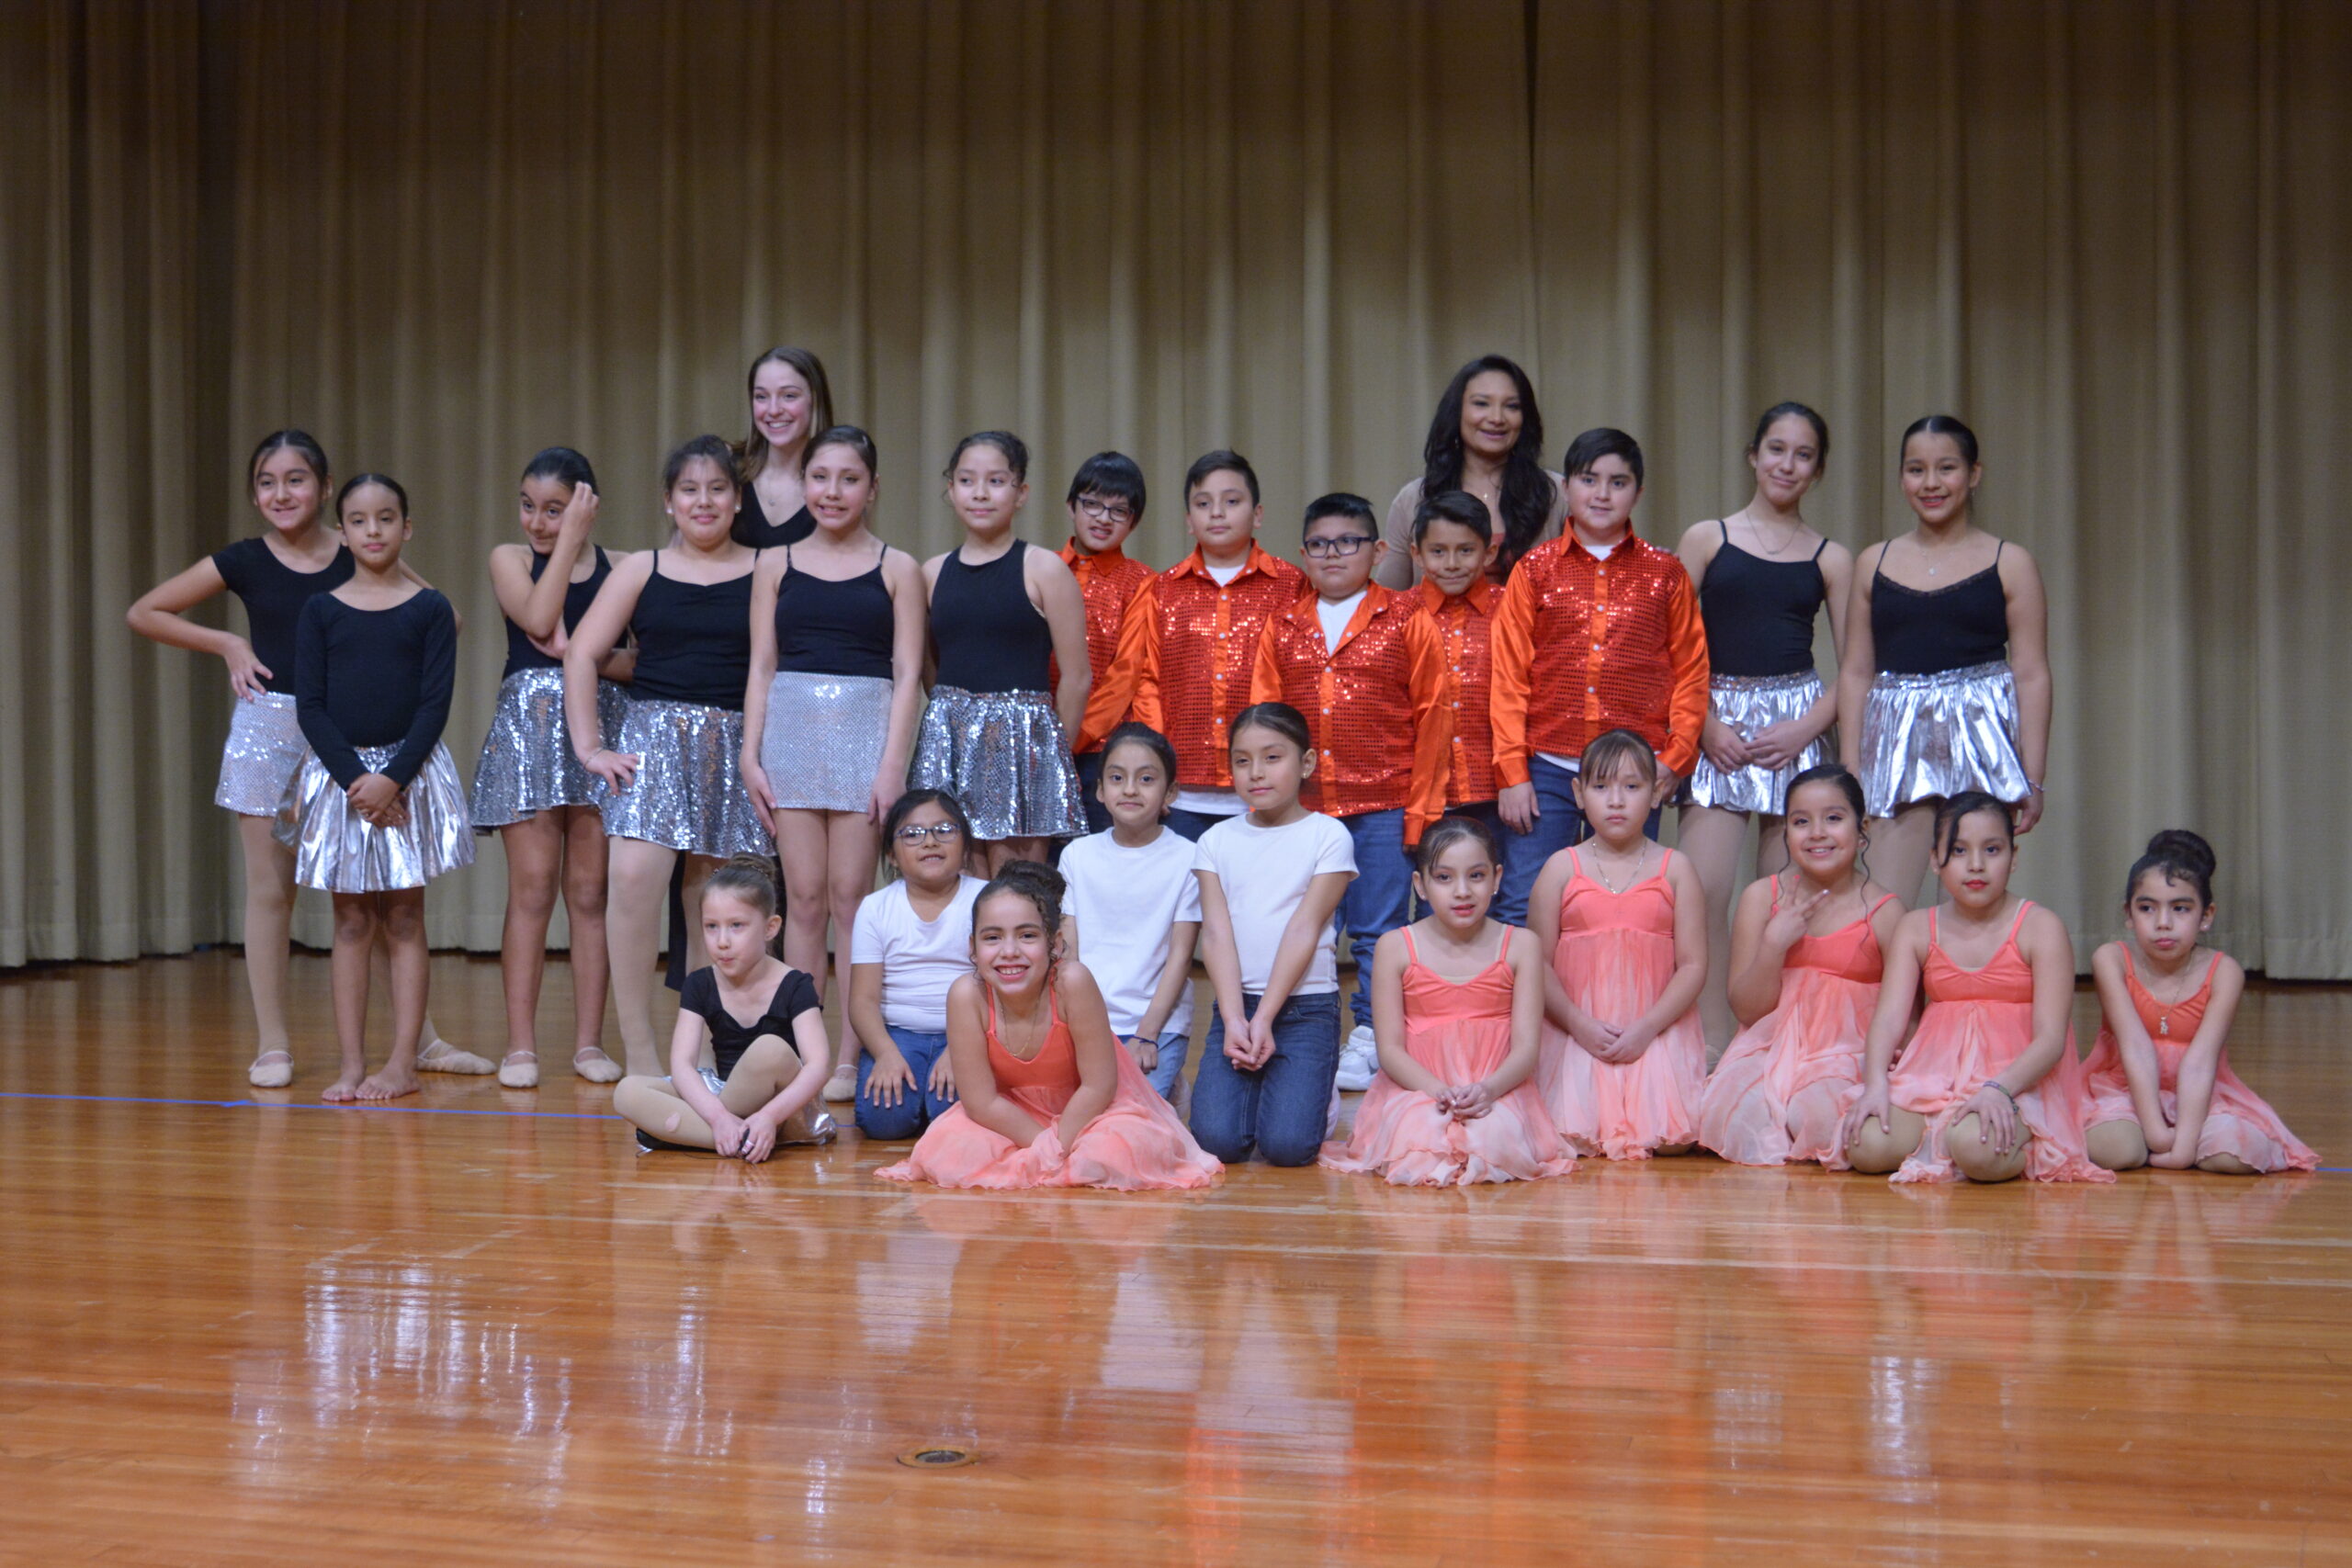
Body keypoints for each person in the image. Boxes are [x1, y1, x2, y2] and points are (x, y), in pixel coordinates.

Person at [127, 430, 481, 1088]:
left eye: (296, 479)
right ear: (255, 494)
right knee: (273, 891)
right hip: (274, 727)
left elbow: (446, 618)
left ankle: (417, 1040)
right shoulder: (243, 559)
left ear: (323, 487)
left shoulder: (360, 544)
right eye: (267, 481)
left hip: (365, 740)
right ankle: (273, 1043)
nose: (282, 492)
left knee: (381, 894)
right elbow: (145, 610)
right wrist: (228, 643)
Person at [564, 434, 766, 1075]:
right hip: (653, 742)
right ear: (668, 500)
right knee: (631, 885)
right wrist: (590, 746)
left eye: (716, 489)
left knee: (719, 906)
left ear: (737, 499)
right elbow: (580, 653)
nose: (703, 501)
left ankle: (709, 1050)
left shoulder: (766, 569)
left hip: (734, 745)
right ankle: (644, 1054)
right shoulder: (641, 569)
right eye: (689, 489)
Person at [740, 425, 925, 1105]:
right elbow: (762, 664)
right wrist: (749, 752)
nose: (832, 491)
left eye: (849, 478)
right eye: (820, 477)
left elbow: (908, 673)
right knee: (805, 901)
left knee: (852, 901)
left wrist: (891, 765)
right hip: (791, 734)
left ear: (872, 488)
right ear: (804, 484)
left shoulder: (897, 566)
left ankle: (852, 1049)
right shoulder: (774, 562)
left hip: (864, 734)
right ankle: (803, 1051)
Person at [280, 474, 473, 1102]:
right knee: (352, 919)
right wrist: (355, 782)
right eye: (359, 521)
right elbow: (310, 705)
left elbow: (434, 702)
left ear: (406, 528)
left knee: (406, 915)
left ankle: (403, 1063)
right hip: (343, 779)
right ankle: (351, 1065)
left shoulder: (430, 608)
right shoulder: (321, 610)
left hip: (408, 775)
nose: (373, 531)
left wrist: (393, 778)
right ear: (343, 532)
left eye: (386, 518)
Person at [1248, 492, 1447, 1089]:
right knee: (1299, 925)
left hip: (1385, 803)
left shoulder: (1409, 618)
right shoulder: (1283, 622)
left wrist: (1421, 813)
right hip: (1304, 809)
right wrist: (1267, 802)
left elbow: (1434, 718)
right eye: (1320, 544)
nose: (1333, 554)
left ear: (1377, 549)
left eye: (1349, 542)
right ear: (1303, 552)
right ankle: (1299, 1032)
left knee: (1378, 929)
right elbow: (1266, 716)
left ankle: (1370, 1035)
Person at [1676, 403, 1853, 1054]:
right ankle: (1709, 1048)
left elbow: (1857, 667)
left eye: (1803, 454)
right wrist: (1704, 725)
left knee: (1789, 901)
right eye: (1776, 449)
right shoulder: (1707, 538)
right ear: (1753, 455)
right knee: (1706, 891)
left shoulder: (1832, 557)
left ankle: (1777, 1047)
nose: (1787, 464)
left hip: (1795, 731)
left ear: (1818, 469)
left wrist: (1806, 730)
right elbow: (1667, 646)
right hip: (1716, 725)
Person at [875, 862, 1222, 1190]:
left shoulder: (1072, 982)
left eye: (1027, 936)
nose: (1009, 951)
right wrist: (1043, 1145)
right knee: (950, 1148)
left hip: (1091, 1110)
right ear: (973, 948)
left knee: (1112, 1153)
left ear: (1054, 944)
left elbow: (1098, 1086)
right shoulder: (967, 995)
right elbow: (982, 1102)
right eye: (992, 938)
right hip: (1012, 1114)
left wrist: (1056, 1145)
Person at [1490, 428, 1708, 926]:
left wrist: (1673, 761)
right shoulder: (1535, 569)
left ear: (1639, 492)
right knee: (1523, 900)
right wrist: (1512, 773)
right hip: (1546, 766)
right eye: (1589, 479)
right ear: (1567, 486)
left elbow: (1691, 672)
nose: (1602, 493)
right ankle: (1524, 1007)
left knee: (1626, 903)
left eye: (1618, 481)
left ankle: (1620, 1004)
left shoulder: (1666, 573)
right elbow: (1508, 677)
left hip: (1636, 770)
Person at [1839, 792, 2108, 1184]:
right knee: (1865, 1146)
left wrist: (1999, 1089)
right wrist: (1875, 1084)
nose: (1976, 865)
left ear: (2013, 858)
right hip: (1933, 1077)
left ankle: (2029, 1142)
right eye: (1959, 850)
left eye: (1992, 850)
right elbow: (1889, 1019)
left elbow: (2051, 1039)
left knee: (1975, 1147)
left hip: (2018, 1082)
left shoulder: (2040, 927)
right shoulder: (1916, 927)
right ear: (1935, 860)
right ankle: (1943, 1136)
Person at [1838, 416, 2052, 908]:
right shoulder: (1874, 561)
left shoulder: (2010, 561)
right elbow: (1854, 672)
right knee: (1883, 906)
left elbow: (2032, 672)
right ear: (1901, 478)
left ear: (1974, 474)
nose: (1930, 483)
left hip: (1981, 739)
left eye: (1946, 468)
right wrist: (1851, 772)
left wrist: (2031, 776)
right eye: (1916, 470)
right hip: (1894, 745)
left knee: (1971, 904)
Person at [471, 447, 631, 1089]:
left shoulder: (622, 566)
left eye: (556, 510)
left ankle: (590, 1043)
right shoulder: (509, 558)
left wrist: (585, 655)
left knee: (591, 894)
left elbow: (638, 659)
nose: (538, 522)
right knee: (532, 889)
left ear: (587, 504)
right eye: (529, 506)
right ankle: (520, 1046)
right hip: (529, 729)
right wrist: (567, 543)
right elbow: (538, 618)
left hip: (600, 726)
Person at [1319, 817, 1573, 1186]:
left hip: (1496, 1089)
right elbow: (1389, 1049)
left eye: (1476, 876)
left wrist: (1487, 1091)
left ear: (1497, 878)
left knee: (1494, 1140)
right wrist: (1437, 1091)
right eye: (1444, 878)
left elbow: (1526, 1048)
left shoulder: (1521, 945)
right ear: (1420, 885)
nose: (1462, 891)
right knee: (1419, 1143)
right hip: (1419, 1089)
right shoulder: (1395, 947)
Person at [1085, 451, 1307, 841]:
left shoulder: (1291, 585)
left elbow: (1301, 681)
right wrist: (1159, 769)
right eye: (1204, 504)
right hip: (1183, 793)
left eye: (1231, 501)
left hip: (1265, 791)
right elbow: (1146, 683)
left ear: (1257, 514)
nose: (1217, 513)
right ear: (1189, 520)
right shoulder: (1161, 590)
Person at [1697, 764, 1902, 1166]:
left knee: (1821, 1119)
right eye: (1801, 821)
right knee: (1726, 1114)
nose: (1818, 833)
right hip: (1768, 1048)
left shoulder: (1885, 912)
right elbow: (1748, 1010)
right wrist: (1774, 944)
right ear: (1786, 832)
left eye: (1834, 818)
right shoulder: (1761, 899)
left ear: (1863, 829)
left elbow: (1906, 1014)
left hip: (1845, 1055)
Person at [2083, 831, 2315, 1175]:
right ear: (2128, 914)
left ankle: (2182, 1141)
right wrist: (2159, 1134)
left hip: (2201, 1094)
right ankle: (2146, 1139)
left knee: (2234, 1154)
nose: (2163, 923)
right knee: (2119, 1150)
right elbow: (2135, 1047)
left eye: (2180, 908)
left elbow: (2200, 1062)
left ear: (2206, 916)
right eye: (2147, 908)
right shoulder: (2111, 959)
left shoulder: (2225, 971)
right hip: (2122, 1088)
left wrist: (2184, 1147)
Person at [910, 432, 1092, 868]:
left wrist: (1045, 754)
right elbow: (928, 665)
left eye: (996, 481)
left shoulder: (1044, 569)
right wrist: (956, 716)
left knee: (1018, 886)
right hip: (950, 740)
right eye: (967, 480)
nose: (980, 493)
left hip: (1023, 744)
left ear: (1021, 492)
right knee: (956, 881)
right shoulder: (931, 573)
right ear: (950, 489)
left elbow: (1077, 676)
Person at [1187, 704, 1356, 1167]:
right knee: (1217, 1142)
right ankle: (1274, 1087)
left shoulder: (1329, 836)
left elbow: (1303, 928)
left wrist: (1265, 1018)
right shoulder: (1215, 841)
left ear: (1306, 763)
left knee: (1288, 1148)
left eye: (1272, 757)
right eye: (1242, 760)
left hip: (1306, 1009)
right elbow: (1217, 935)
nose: (1256, 773)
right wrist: (1238, 1019)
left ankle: (1312, 1089)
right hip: (1236, 1006)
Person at [1528, 730, 1707, 1159]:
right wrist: (1578, 1023)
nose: (1616, 800)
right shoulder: (1560, 868)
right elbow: (1537, 964)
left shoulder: (1676, 869)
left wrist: (1646, 1029)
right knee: (1568, 1134)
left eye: (1632, 786)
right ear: (1578, 792)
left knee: (1674, 1141)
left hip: (1655, 1027)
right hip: (1577, 1029)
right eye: (1601, 786)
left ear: (1656, 792)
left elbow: (1693, 965)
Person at [612, 856, 838, 1158]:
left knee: (770, 1048)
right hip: (727, 1098)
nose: (722, 941)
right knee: (627, 1091)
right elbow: (681, 1066)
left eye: (736, 926)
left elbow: (819, 1066)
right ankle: (738, 1136)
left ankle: (685, 1134)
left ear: (770, 928)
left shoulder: (795, 985)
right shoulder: (699, 984)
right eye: (711, 927)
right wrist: (718, 1118)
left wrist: (769, 1116)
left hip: (787, 1111)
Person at [1060, 724, 1202, 1105]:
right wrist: (1078, 1027)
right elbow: (1068, 950)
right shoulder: (1078, 854)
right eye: (1117, 778)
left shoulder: (1189, 857)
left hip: (1156, 1024)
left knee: (1134, 1119)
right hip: (1089, 1021)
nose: (1130, 789)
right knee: (1076, 1114)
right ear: (1101, 791)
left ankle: (1168, 1086)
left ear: (1169, 792)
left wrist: (1148, 1033)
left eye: (1146, 779)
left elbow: (1179, 957)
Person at [846, 790, 987, 1139]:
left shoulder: (986, 898)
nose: (930, 842)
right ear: (892, 856)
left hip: (970, 1031)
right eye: (912, 834)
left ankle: (930, 1102)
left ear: (965, 846)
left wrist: (961, 1049)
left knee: (953, 1116)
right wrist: (885, 1053)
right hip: (898, 1034)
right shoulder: (875, 908)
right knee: (884, 1120)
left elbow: (998, 989)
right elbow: (862, 1001)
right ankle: (920, 1097)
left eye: (944, 830)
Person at [1373, 354, 1566, 589]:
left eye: (1512, 406)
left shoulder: (1557, 493)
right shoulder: (1413, 498)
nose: (1497, 418)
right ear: (1457, 411)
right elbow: (1389, 600)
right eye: (1481, 403)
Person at [1057, 452, 1157, 833]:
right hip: (1031, 748)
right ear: (1071, 505)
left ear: (1134, 521)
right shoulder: (1039, 568)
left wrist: (1070, 738)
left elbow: (1125, 674)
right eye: (1093, 504)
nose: (1102, 518)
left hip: (1101, 753)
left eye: (1118, 511)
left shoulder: (1142, 581)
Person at [1404, 490, 1504, 832]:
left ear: (1489, 552)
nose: (1451, 564)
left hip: (1499, 790)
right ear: (1417, 554)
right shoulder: (1397, 614)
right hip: (1421, 794)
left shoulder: (1512, 609)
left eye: (1465, 550)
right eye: (1438, 551)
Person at [732, 346, 835, 547]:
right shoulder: (728, 470)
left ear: (815, 401)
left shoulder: (837, 481)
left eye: (789, 396)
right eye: (761, 397)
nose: (773, 410)